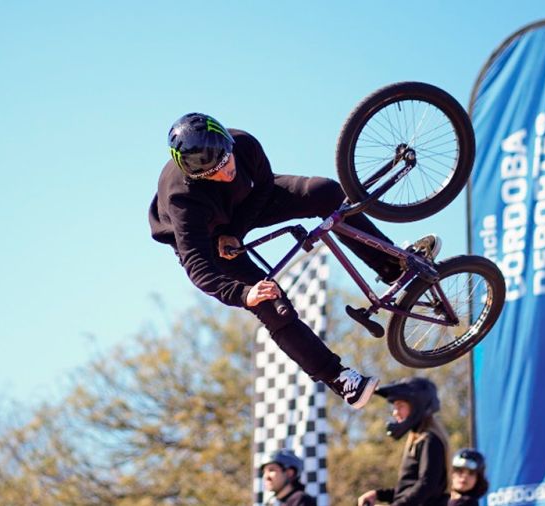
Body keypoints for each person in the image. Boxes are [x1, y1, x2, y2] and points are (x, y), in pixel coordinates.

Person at [148, 112, 442, 409]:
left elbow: (263, 187)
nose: (225, 174)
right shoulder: (183, 200)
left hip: (247, 202)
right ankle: (340, 379)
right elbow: (198, 267)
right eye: (213, 174)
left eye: (227, 163)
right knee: (270, 301)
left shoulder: (244, 144)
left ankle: (391, 267)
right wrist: (243, 293)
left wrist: (236, 231)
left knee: (325, 192)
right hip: (207, 239)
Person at [357, 377, 450, 506]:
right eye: (394, 407)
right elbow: (409, 489)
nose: (395, 413)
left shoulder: (430, 440)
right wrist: (378, 494)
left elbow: (427, 486)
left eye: (400, 406)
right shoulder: (418, 439)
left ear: (417, 406)